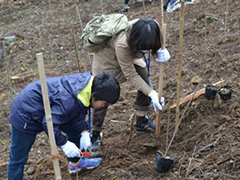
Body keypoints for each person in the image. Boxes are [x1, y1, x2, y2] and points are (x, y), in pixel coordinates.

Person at [7, 71, 120, 179]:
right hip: (25, 113)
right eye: (104, 103)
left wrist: (84, 132)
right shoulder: (69, 101)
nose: (103, 107)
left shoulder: (85, 87)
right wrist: (64, 144)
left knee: (75, 129)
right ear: (95, 95)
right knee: (18, 158)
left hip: (52, 110)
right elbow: (48, 123)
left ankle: (76, 163)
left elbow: (77, 112)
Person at [90, 18, 170, 149]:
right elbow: (131, 75)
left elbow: (155, 42)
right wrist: (151, 93)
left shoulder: (152, 26)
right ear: (137, 42)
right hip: (107, 61)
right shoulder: (123, 43)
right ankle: (95, 132)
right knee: (103, 91)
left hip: (130, 54)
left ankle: (141, 121)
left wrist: (161, 50)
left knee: (144, 77)